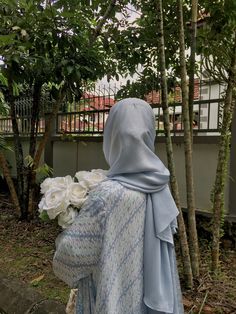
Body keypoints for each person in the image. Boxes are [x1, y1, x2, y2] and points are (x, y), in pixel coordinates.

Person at [53, 98, 184, 314]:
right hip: (148, 295)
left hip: (113, 297)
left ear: (112, 135)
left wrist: (69, 224)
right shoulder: (159, 185)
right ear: (150, 134)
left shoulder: (106, 195)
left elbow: (73, 253)